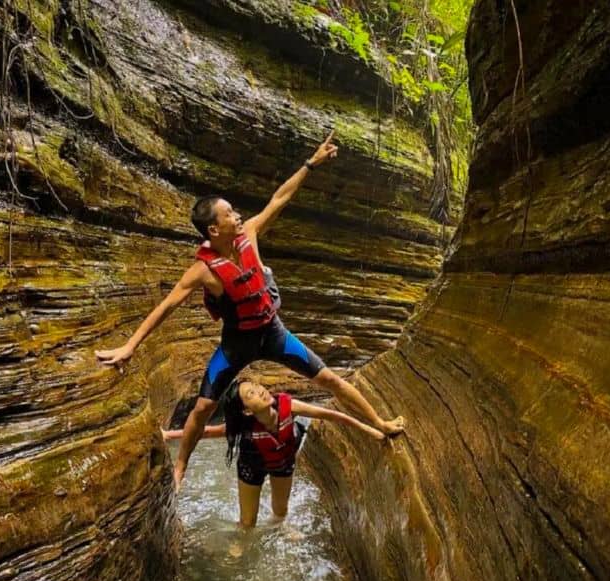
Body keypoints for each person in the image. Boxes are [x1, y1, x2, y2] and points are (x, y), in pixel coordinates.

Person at [95, 131, 405, 488]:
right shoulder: (205, 270)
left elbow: (281, 198)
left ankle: (380, 424)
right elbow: (167, 305)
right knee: (201, 408)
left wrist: (311, 163)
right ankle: (181, 466)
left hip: (272, 332)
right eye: (230, 213)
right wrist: (130, 346)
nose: (239, 216)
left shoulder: (251, 234)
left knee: (330, 379)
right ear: (214, 228)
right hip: (238, 342)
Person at [162, 379, 386, 528]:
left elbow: (331, 415)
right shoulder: (245, 425)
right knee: (248, 522)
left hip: (283, 463)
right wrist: (169, 436)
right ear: (247, 410)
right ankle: (243, 541)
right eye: (251, 393)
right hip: (251, 467)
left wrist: (369, 428)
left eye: (257, 386)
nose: (260, 390)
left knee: (280, 511)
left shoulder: (288, 405)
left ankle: (281, 529)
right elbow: (207, 431)